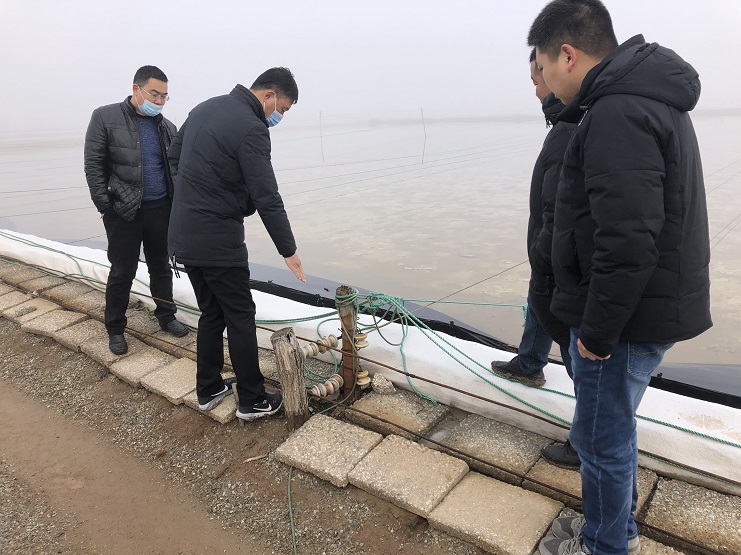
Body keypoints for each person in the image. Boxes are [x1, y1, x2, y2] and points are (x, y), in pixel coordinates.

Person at [528, 1, 712, 554]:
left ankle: (604, 545)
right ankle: (612, 528)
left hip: (623, 321)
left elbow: (628, 238)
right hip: (644, 308)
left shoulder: (617, 112)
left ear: (567, 54)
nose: (545, 80)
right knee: (610, 430)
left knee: (600, 440)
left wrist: (598, 331)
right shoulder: (643, 99)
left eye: (544, 66)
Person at [168, 67, 305, 421]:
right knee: (240, 314)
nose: (279, 116)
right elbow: (266, 195)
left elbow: (173, 159)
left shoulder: (204, 107)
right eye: (282, 109)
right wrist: (288, 250)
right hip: (218, 241)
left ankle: (209, 387)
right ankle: (252, 400)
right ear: (269, 96)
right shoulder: (252, 128)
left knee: (212, 311)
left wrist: (198, 196)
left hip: (184, 234)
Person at [490, 50, 580, 467]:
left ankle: (587, 440)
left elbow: (559, 208)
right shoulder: (567, 121)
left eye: (538, 80)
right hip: (552, 254)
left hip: (563, 261)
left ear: (561, 67)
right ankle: (529, 362)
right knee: (540, 300)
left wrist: (545, 255)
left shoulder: (571, 126)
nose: (537, 91)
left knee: (580, 352)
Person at [84, 65, 189, 356]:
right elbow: (93, 165)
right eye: (154, 94)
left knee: (161, 268)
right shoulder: (105, 117)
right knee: (122, 271)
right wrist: (105, 207)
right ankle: (115, 328)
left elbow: (176, 170)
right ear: (136, 89)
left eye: (164, 96)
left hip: (161, 209)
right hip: (123, 211)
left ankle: (166, 316)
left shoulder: (167, 127)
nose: (159, 101)